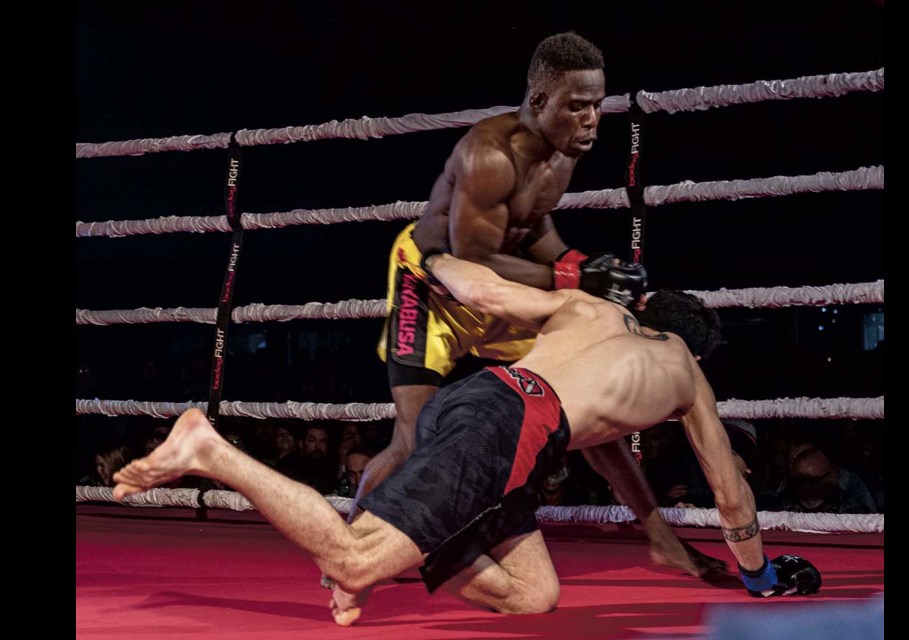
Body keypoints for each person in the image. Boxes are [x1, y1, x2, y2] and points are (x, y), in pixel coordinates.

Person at [112, 254, 821, 626]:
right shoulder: (687, 376)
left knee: (534, 594)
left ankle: (399, 552)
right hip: (510, 427)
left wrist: (436, 258)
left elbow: (479, 291)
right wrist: (758, 576)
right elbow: (731, 492)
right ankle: (210, 449)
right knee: (358, 561)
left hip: (490, 404)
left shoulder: (588, 309)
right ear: (696, 347)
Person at [364, 30, 723, 579]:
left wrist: (591, 268)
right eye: (577, 107)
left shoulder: (561, 154)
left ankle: (660, 539)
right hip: (435, 285)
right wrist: (575, 274)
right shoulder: (489, 154)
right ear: (538, 101)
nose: (591, 121)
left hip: (502, 294)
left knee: (583, 395)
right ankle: (354, 532)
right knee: (414, 440)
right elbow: (474, 258)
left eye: (598, 107)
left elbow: (533, 230)